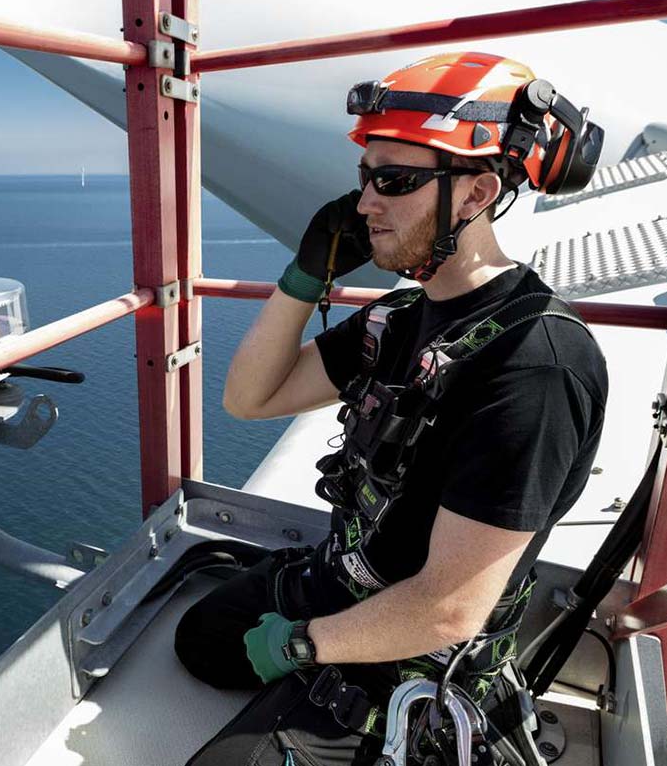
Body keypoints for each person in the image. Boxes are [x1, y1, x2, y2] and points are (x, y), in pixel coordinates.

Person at [175, 52, 609, 765]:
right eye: (363, 179)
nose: (365, 203)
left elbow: (450, 607)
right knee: (202, 642)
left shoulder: (532, 366)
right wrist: (304, 273)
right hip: (348, 582)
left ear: (476, 194)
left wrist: (303, 644)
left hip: (415, 647)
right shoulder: (402, 318)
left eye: (395, 181)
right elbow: (249, 398)